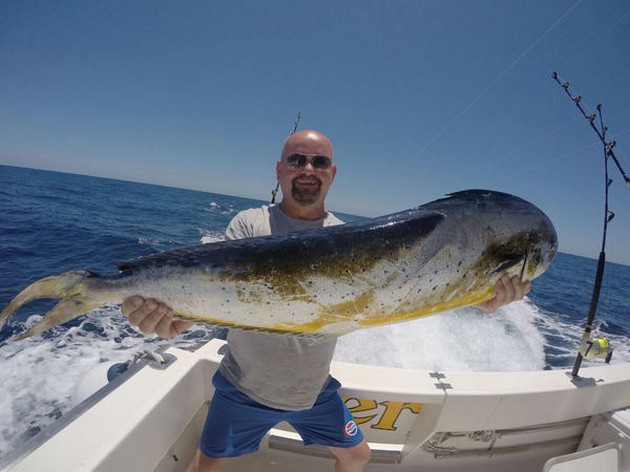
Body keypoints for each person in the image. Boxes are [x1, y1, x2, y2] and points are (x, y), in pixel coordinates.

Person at [122, 130, 531, 472]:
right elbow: (216, 291)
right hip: (243, 387)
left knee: (357, 456)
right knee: (206, 467)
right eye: (297, 159)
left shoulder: (351, 238)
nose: (307, 170)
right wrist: (174, 319)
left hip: (313, 392)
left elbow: (402, 289)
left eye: (319, 163)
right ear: (280, 170)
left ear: (332, 174)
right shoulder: (249, 224)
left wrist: (480, 298)